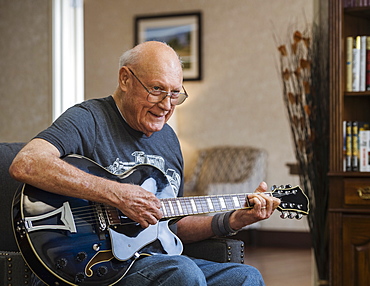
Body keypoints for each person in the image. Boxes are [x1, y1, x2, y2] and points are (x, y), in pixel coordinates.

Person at [10, 41, 281, 286]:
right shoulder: (88, 119)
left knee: (245, 277)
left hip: (159, 262)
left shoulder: (168, 140)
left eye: (175, 94)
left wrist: (233, 220)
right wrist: (116, 194)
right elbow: (27, 163)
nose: (166, 105)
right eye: (156, 90)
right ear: (125, 78)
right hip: (99, 264)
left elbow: (172, 225)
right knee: (183, 272)